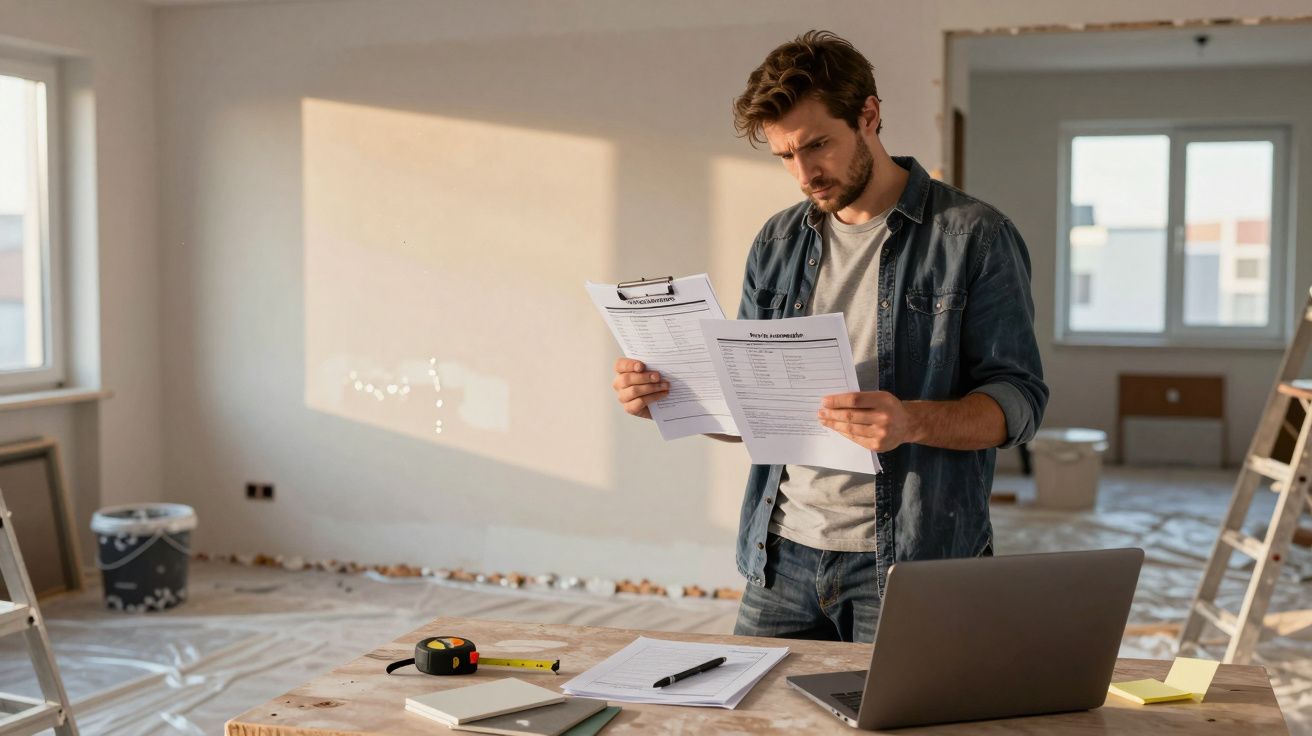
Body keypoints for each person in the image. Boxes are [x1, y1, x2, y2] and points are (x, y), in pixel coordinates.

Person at [611, 30, 1047, 643]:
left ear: (868, 115)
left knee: (898, 704)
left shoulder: (973, 236)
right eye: (785, 155)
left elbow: (1020, 403)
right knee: (755, 701)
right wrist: (669, 397)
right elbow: (753, 410)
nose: (804, 173)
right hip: (780, 553)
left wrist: (912, 421)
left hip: (913, 560)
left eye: (818, 145)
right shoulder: (777, 241)